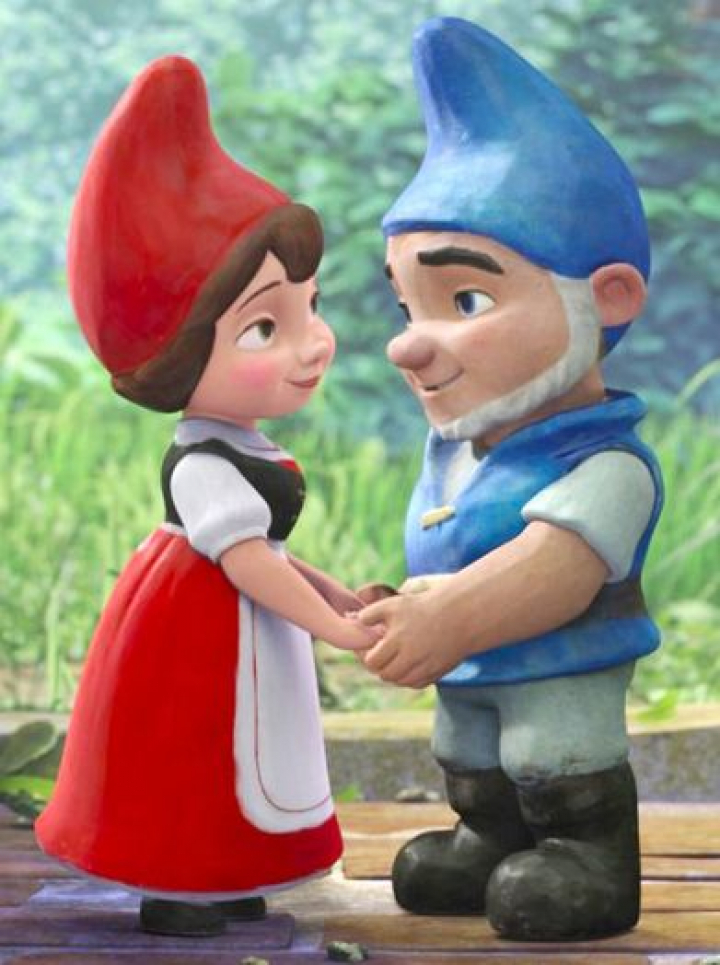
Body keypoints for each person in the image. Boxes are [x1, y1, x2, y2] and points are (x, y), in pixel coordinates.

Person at [35, 55, 377, 938]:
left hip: (237, 629)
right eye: (266, 326)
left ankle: (229, 873)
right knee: (192, 754)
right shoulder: (201, 463)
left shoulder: (246, 447)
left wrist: (340, 596)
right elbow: (251, 562)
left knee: (243, 758)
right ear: (183, 354)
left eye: (310, 307)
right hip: (198, 637)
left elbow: (272, 552)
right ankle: (176, 884)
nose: (313, 343)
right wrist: (334, 626)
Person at [358, 18, 663, 941]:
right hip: (470, 677)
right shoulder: (459, 449)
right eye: (406, 305)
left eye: (466, 299)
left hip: (554, 679)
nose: (408, 345)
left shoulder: (604, 465)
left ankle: (588, 858)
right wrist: (408, 604)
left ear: (607, 297)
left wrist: (449, 617)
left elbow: (552, 570)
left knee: (551, 752)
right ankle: (487, 835)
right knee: (475, 756)